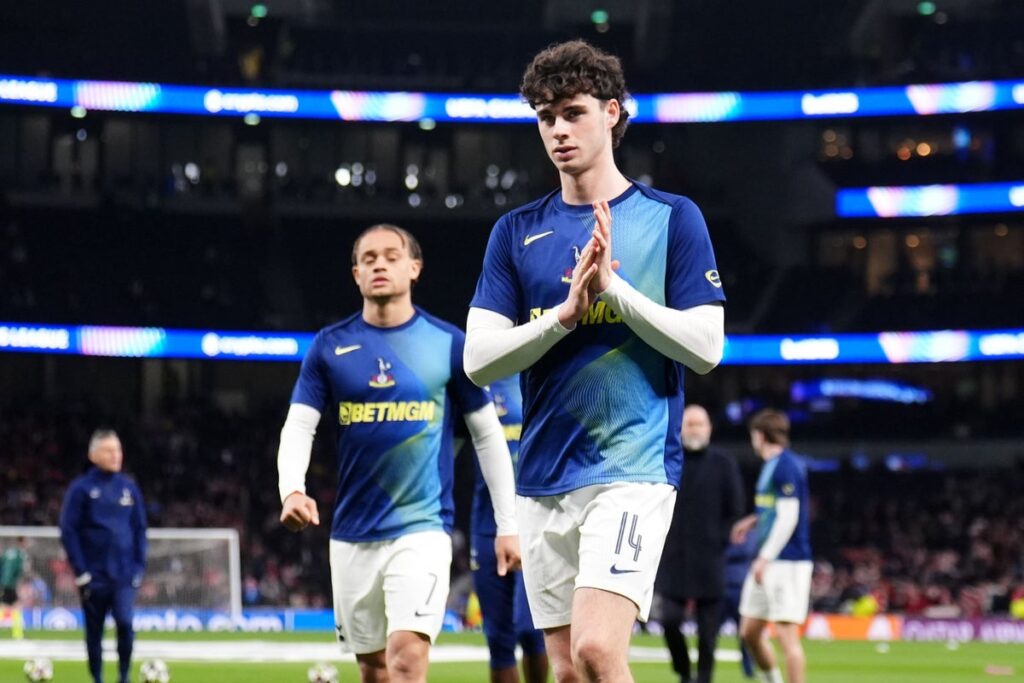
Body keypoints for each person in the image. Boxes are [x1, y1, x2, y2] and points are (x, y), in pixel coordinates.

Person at [465, 40, 726, 682]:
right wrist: (563, 316)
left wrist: (615, 291)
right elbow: (478, 361)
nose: (558, 129)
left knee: (598, 651)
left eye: (573, 112)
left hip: (632, 470)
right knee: (566, 671)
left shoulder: (672, 219)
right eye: (546, 116)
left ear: (612, 112)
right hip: (542, 477)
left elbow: (706, 348)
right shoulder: (514, 232)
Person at [277, 224, 520, 683]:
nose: (379, 265)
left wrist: (508, 524)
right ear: (356, 274)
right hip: (352, 535)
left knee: (407, 660)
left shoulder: (449, 343)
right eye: (368, 259)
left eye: (391, 256)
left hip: (422, 529)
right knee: (373, 671)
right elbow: (299, 425)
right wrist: (291, 489)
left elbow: (488, 436)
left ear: (414, 268)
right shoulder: (329, 346)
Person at [655, 405, 744, 683]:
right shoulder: (667, 459)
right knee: (669, 621)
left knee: (708, 635)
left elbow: (735, 509)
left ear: (709, 429)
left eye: (699, 424)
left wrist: (720, 539)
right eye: (689, 424)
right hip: (673, 559)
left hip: (710, 561)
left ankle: (704, 679)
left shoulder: (723, 463)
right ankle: (683, 673)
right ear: (680, 428)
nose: (694, 429)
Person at [470, 374, 549, 683]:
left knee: (532, 630)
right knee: (498, 640)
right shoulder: (476, 379)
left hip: (537, 521)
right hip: (486, 525)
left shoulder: (540, 373)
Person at [730, 410, 812, 683]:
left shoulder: (786, 466)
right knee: (749, 631)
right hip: (768, 559)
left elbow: (789, 517)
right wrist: (752, 521)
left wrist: (764, 558)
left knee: (788, 637)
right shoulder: (772, 465)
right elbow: (774, 509)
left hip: (788, 562)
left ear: (760, 435)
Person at [59, 430, 147, 683]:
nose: (115, 455)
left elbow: (140, 529)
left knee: (125, 623)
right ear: (94, 455)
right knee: (94, 632)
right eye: (109, 450)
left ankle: (124, 676)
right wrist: (81, 571)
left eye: (117, 450)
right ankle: (97, 678)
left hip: (124, 575)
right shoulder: (81, 489)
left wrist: (139, 567)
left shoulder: (129, 487)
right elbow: (68, 530)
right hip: (93, 575)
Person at [0, 536, 27, 639]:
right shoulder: (20, 554)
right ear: (22, 542)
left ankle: (17, 632)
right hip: (10, 584)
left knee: (8, 605)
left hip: (3, 583)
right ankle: (17, 633)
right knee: (15, 606)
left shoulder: (7, 553)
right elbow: (19, 570)